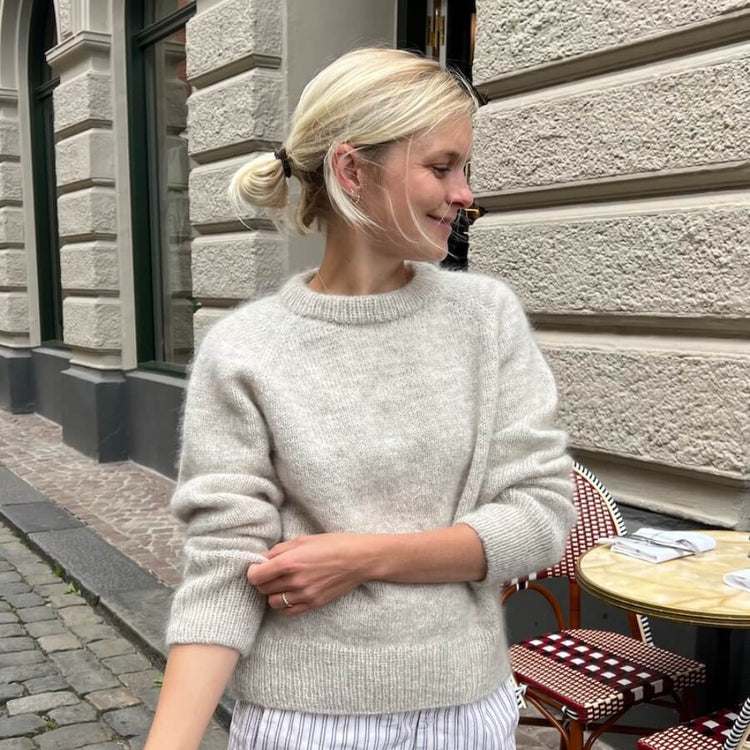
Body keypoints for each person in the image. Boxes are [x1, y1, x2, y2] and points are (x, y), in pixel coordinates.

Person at [143, 47, 577, 750]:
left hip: (466, 711)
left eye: (463, 168)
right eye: (442, 167)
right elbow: (223, 567)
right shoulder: (245, 348)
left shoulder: (485, 319)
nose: (465, 193)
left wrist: (364, 557)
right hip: (302, 721)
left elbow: (540, 517)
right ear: (352, 170)